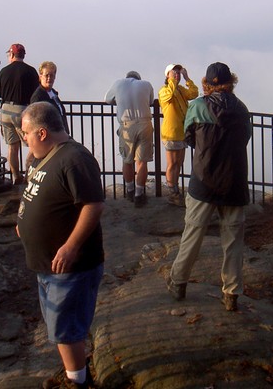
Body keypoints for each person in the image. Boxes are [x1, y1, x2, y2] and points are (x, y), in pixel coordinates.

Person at [16, 102, 104, 389]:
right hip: (48, 265)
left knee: (66, 329)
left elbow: (92, 204)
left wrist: (71, 246)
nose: (24, 139)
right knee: (60, 326)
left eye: (26, 133)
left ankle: (78, 381)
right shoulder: (42, 156)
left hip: (71, 267)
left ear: (42, 133)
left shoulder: (74, 159)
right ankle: (74, 373)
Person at [167, 62, 252, 312]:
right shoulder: (242, 109)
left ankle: (178, 282)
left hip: (203, 181)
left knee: (192, 234)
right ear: (230, 82)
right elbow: (245, 138)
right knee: (233, 240)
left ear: (207, 83)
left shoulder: (197, 107)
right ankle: (232, 293)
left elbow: (189, 137)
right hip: (234, 182)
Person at [104, 71, 155, 206]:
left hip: (127, 125)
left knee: (127, 160)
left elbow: (107, 99)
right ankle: (139, 195)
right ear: (139, 79)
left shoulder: (118, 83)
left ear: (127, 78)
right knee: (142, 162)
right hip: (145, 123)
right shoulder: (146, 84)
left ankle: (130, 190)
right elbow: (150, 102)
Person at [0, 43, 40, 186]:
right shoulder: (31, 71)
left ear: (12, 55)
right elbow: (36, 94)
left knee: (12, 147)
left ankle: (16, 176)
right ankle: (28, 174)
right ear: (23, 55)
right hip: (23, 111)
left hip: (5, 110)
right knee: (33, 145)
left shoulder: (3, 72)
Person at [158, 63, 198, 206]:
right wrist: (173, 81)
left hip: (182, 132)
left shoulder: (181, 90)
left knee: (179, 163)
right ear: (167, 75)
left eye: (178, 73)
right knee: (172, 163)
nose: (177, 75)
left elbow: (194, 93)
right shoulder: (163, 91)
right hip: (171, 132)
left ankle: (175, 189)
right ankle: (172, 192)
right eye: (173, 72)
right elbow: (168, 95)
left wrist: (187, 78)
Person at [31, 60, 70, 135]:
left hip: (61, 134)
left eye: (52, 75)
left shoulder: (53, 93)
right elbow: (37, 120)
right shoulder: (38, 96)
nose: (49, 78)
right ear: (40, 77)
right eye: (46, 75)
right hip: (50, 137)